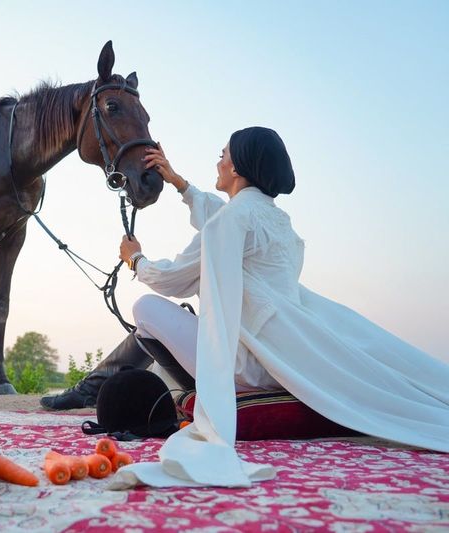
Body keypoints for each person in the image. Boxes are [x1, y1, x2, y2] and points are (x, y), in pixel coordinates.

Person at [49, 127, 449, 488]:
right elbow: (222, 219)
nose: (218, 161)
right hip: (282, 359)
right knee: (182, 314)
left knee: (146, 309)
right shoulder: (279, 223)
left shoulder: (230, 222)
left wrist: (135, 259)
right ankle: (124, 383)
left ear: (237, 165)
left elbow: (173, 280)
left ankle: (185, 391)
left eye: (222, 153)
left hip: (242, 364)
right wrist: (179, 183)